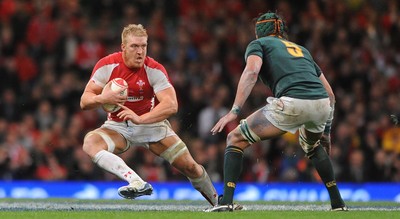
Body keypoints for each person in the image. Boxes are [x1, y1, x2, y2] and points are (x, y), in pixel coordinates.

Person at [204, 12, 348, 212]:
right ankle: (338, 204)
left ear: (259, 31)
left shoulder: (259, 44)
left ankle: (226, 201)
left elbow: (252, 72)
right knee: (313, 146)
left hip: (292, 102)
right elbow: (330, 94)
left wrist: (234, 110)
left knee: (235, 138)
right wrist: (326, 131)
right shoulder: (302, 50)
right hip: (321, 104)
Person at [79, 24, 218, 206]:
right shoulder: (107, 65)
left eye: (144, 46)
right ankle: (136, 182)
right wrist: (102, 97)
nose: (140, 52)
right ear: (123, 47)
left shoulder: (154, 69)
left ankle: (218, 203)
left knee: (190, 167)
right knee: (90, 143)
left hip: (151, 125)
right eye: (134, 46)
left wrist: (140, 119)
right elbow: (84, 101)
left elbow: (171, 105)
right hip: (118, 126)